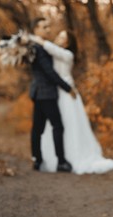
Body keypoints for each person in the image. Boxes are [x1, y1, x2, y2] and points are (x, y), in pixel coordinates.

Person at [30, 30, 113, 174]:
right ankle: (55, 157)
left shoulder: (67, 54)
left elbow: (51, 49)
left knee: (69, 123)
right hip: (55, 92)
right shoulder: (53, 51)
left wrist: (35, 38)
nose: (58, 38)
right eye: (58, 35)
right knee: (56, 125)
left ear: (67, 43)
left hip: (67, 93)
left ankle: (73, 155)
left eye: (62, 37)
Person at [29, 17, 74, 172]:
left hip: (39, 92)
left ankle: (37, 159)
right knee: (57, 126)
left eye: (48, 26)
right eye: (44, 27)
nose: (48, 30)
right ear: (36, 30)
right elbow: (50, 73)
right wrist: (67, 88)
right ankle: (60, 161)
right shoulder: (38, 47)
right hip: (46, 93)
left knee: (38, 128)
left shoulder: (37, 46)